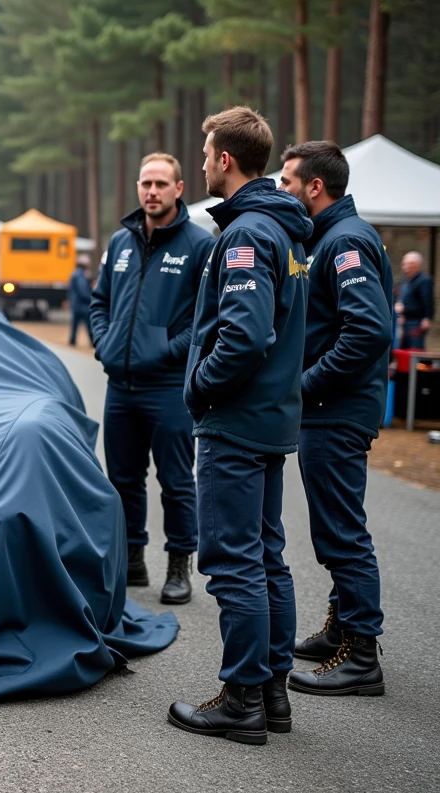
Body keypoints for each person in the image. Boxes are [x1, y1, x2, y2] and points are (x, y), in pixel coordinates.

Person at [167, 107, 312, 745]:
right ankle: (273, 694)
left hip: (237, 422)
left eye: (205, 155)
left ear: (225, 160)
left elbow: (246, 335)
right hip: (269, 418)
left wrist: (199, 387)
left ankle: (242, 698)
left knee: (232, 563)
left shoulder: (249, 233)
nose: (202, 164)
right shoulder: (285, 230)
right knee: (265, 556)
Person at [278, 140, 391, 696]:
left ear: (313, 187)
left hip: (335, 409)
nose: (281, 189)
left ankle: (361, 655)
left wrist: (305, 385)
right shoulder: (326, 237)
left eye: (287, 181)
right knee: (336, 526)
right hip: (329, 407)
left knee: (341, 533)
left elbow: (369, 331)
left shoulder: (345, 242)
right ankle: (341, 627)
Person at [89, 153, 215, 604]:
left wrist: (165, 352)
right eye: (146, 183)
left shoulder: (200, 245)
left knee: (177, 481)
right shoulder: (120, 243)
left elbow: (207, 321)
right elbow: (99, 302)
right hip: (120, 387)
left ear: (179, 189)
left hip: (167, 388)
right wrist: (104, 345)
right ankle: (133, 559)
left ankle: (179, 566)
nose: (151, 191)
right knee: (123, 480)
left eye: (161, 183)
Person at [397, 252, 434, 349]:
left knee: (415, 350)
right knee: (403, 350)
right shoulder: (405, 281)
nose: (405, 267)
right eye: (404, 264)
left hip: (416, 321)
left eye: (408, 264)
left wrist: (427, 318)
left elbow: (427, 300)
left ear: (416, 265)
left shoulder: (424, 280)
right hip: (404, 321)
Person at [67, 257, 93, 346]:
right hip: (83, 305)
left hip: (76, 304)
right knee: (89, 325)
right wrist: (91, 298)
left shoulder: (74, 274)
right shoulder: (81, 275)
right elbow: (83, 290)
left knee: (75, 325)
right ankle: (93, 342)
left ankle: (72, 341)